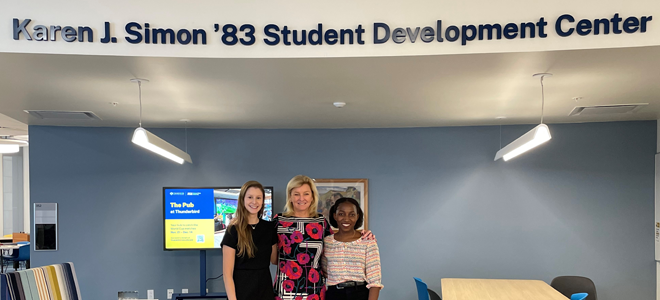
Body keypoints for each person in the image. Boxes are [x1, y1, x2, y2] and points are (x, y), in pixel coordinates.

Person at [273, 175, 375, 300]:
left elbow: (336, 243)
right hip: (285, 289)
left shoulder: (321, 222)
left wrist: (362, 234)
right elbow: (272, 258)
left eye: (306, 194)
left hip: (314, 289)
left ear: (312, 197)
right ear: (290, 196)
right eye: (296, 194)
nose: (301, 198)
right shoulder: (278, 221)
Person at [221, 181, 278, 300]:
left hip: (265, 290)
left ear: (263, 201)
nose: (254, 202)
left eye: (258, 198)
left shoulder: (269, 228)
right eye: (250, 197)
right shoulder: (233, 230)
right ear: (243, 200)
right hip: (241, 292)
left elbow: (274, 260)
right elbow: (227, 274)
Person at [322, 198, 382, 300]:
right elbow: (324, 271)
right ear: (334, 215)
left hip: (360, 294)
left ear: (357, 217)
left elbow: (375, 281)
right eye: (341, 214)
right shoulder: (326, 242)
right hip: (333, 294)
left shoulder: (368, 241)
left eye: (352, 214)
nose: (346, 219)